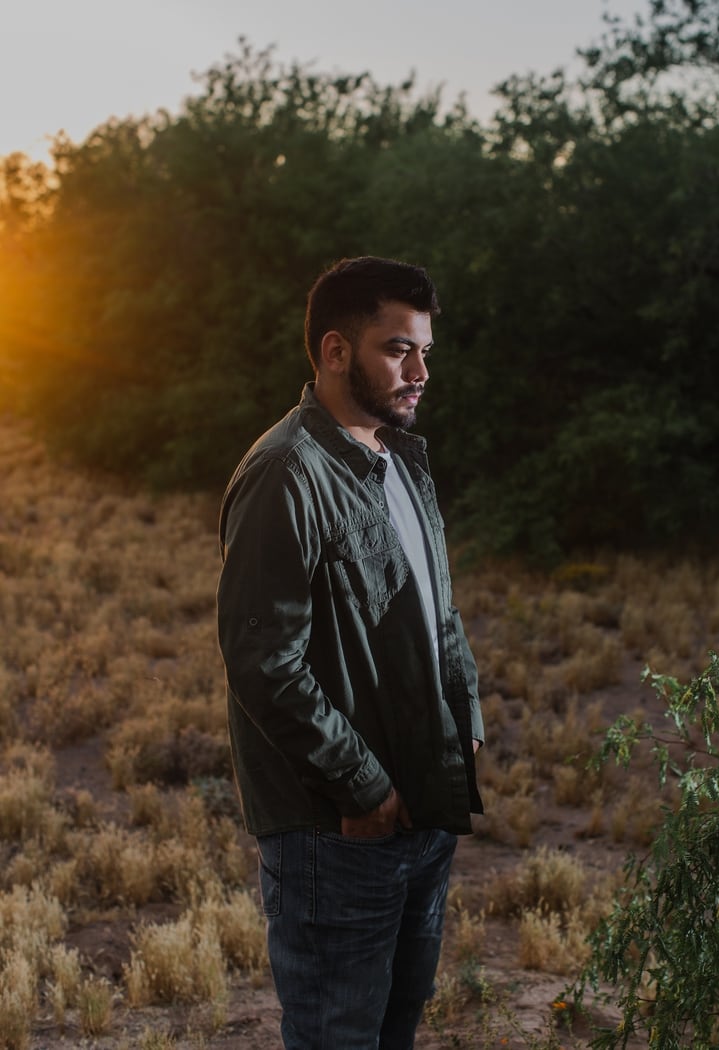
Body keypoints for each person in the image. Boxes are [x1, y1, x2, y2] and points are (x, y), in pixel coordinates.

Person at [217, 256, 484, 1050]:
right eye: (399, 349)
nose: (421, 371)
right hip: (339, 833)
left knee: (394, 1030)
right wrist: (365, 788)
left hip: (421, 811)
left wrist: (464, 717)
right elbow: (265, 662)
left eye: (425, 350)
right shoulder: (285, 472)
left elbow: (442, 610)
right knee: (338, 1036)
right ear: (336, 352)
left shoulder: (398, 458)